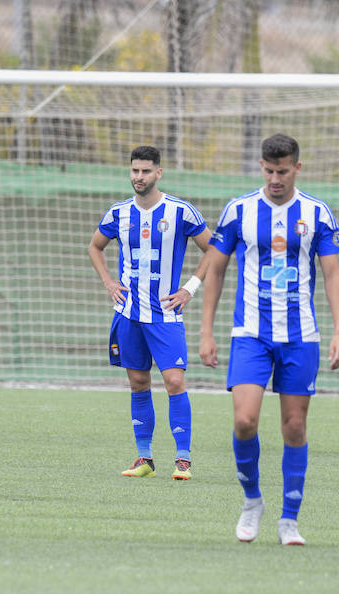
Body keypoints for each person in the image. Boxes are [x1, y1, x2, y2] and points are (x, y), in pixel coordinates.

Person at [199, 133, 339, 544]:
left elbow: (332, 274)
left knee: (294, 427)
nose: (275, 178)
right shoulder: (238, 210)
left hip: (301, 337)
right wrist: (207, 331)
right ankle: (252, 501)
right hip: (250, 334)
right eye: (268, 170)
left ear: (297, 167)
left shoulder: (317, 213)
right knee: (244, 420)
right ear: (260, 167)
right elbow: (216, 270)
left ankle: (289, 520)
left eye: (282, 171)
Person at [88, 145, 212, 480]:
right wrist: (108, 282)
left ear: (159, 173)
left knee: (174, 380)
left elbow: (214, 249)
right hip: (129, 314)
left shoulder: (180, 211)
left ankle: (183, 459)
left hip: (166, 315)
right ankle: (144, 458)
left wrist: (190, 288)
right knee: (138, 382)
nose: (139, 177)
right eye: (134, 171)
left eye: (145, 171)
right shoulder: (118, 213)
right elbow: (95, 246)